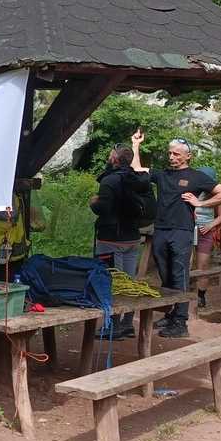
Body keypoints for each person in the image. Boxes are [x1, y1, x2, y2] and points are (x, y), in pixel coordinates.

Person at [130, 130, 221, 338]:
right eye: (170, 153)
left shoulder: (197, 177)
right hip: (160, 230)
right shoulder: (162, 174)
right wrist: (135, 146)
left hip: (182, 232)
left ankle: (181, 322)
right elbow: (136, 169)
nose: (172, 157)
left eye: (177, 154)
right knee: (165, 274)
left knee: (179, 275)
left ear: (188, 156)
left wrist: (200, 202)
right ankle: (170, 314)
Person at [89, 144, 151, 339]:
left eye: (110, 155)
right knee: (129, 281)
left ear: (115, 159)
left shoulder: (110, 181)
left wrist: (94, 203)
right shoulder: (138, 179)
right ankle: (127, 324)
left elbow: (104, 208)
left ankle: (112, 327)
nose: (108, 157)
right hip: (133, 237)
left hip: (111, 238)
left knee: (112, 282)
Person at [193, 166, 221, 308]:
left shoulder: (215, 195)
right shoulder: (190, 192)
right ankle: (185, 294)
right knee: (186, 263)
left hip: (205, 231)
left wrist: (210, 225)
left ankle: (201, 296)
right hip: (189, 230)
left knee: (203, 265)